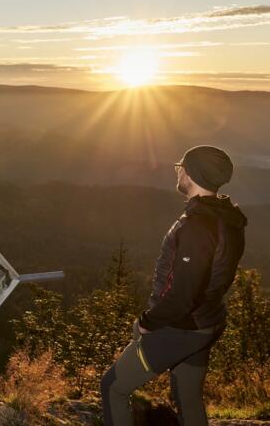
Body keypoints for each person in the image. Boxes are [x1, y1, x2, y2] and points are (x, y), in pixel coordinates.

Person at [100, 145, 248, 425]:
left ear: (191, 175)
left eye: (181, 166)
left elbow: (182, 295)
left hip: (180, 328)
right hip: (208, 322)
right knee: (188, 396)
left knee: (113, 388)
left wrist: (146, 322)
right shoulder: (228, 219)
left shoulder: (198, 226)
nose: (177, 171)